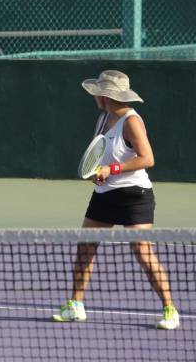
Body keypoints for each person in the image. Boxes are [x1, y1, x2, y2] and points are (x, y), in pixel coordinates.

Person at [51, 70, 180, 330]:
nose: (95, 96)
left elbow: (147, 158)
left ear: (106, 95)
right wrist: (97, 174)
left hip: (135, 196)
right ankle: (76, 305)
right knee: (85, 248)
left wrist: (113, 170)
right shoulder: (102, 118)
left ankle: (170, 309)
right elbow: (100, 158)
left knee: (142, 252)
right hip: (104, 194)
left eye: (98, 92)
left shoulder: (132, 121)